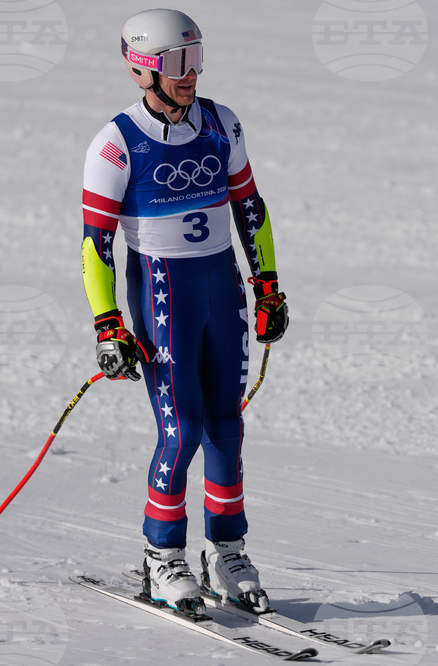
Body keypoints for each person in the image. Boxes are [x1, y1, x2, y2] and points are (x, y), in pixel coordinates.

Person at [80, 8, 288, 613]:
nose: (189, 75)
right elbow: (96, 245)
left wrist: (268, 285)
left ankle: (227, 551)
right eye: (176, 64)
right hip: (163, 293)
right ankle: (162, 556)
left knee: (228, 424)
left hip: (223, 291)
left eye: (195, 61)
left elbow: (250, 206)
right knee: (183, 428)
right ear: (143, 69)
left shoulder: (221, 124)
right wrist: (108, 324)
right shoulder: (116, 144)